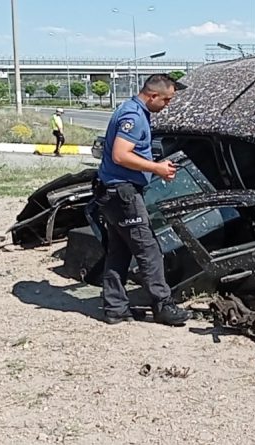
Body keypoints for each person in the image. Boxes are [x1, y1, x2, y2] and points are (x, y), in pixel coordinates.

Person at [95, 74, 191, 326]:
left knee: (120, 251)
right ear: (152, 96)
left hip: (112, 192)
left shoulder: (130, 109)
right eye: (167, 100)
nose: (168, 104)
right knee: (149, 250)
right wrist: (156, 168)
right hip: (123, 193)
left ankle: (115, 307)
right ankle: (163, 305)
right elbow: (120, 155)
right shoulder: (134, 117)